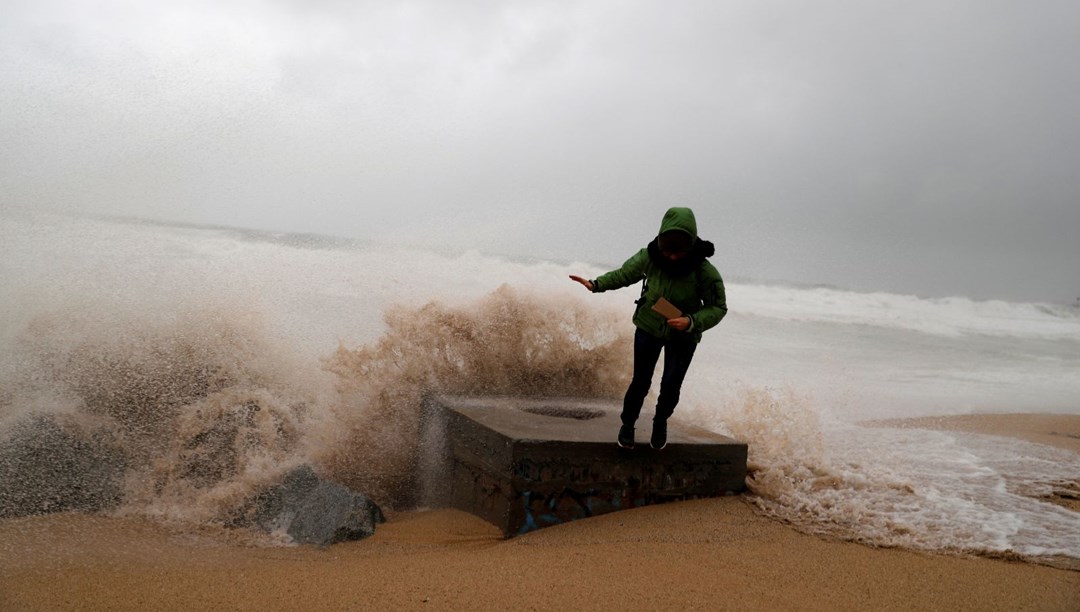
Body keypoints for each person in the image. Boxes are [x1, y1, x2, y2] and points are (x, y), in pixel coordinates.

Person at [570, 207, 727, 450]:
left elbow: (718, 307)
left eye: (679, 252)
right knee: (640, 381)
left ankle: (660, 422)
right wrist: (596, 284)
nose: (672, 257)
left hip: (684, 336)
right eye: (668, 251)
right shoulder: (650, 256)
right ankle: (628, 425)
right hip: (648, 327)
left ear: (691, 245)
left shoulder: (704, 271)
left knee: (671, 384)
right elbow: (624, 275)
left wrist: (691, 321)